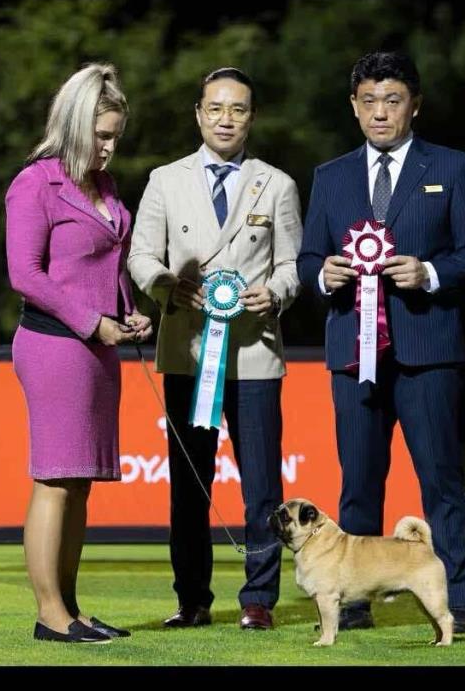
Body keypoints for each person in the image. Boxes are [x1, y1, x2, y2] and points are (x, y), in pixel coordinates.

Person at [296, 50, 465, 634]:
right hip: (351, 351)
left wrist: (430, 272)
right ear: (353, 107)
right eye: (369, 101)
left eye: (392, 100)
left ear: (415, 105)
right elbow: (308, 257)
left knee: (441, 481)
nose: (380, 112)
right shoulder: (330, 176)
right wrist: (322, 274)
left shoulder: (452, 167)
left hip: (428, 351)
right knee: (358, 482)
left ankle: (455, 602)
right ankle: (353, 602)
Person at [128, 67, 302, 631]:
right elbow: (140, 256)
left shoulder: (276, 184)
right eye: (216, 108)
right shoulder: (164, 180)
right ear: (199, 114)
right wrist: (165, 285)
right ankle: (192, 599)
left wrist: (276, 292)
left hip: (255, 355)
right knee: (189, 485)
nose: (226, 119)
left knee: (262, 488)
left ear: (252, 118)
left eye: (238, 109)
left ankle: (259, 599)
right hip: (188, 353)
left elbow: (292, 263)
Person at [5, 62, 152, 644]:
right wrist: (94, 322)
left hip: (99, 348)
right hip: (54, 345)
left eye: (116, 136)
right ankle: (50, 615)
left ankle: (70, 607)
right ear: (72, 124)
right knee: (56, 479)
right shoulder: (35, 183)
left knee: (81, 482)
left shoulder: (104, 186)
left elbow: (108, 263)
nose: (109, 147)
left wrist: (128, 309)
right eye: (101, 135)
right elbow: (26, 274)